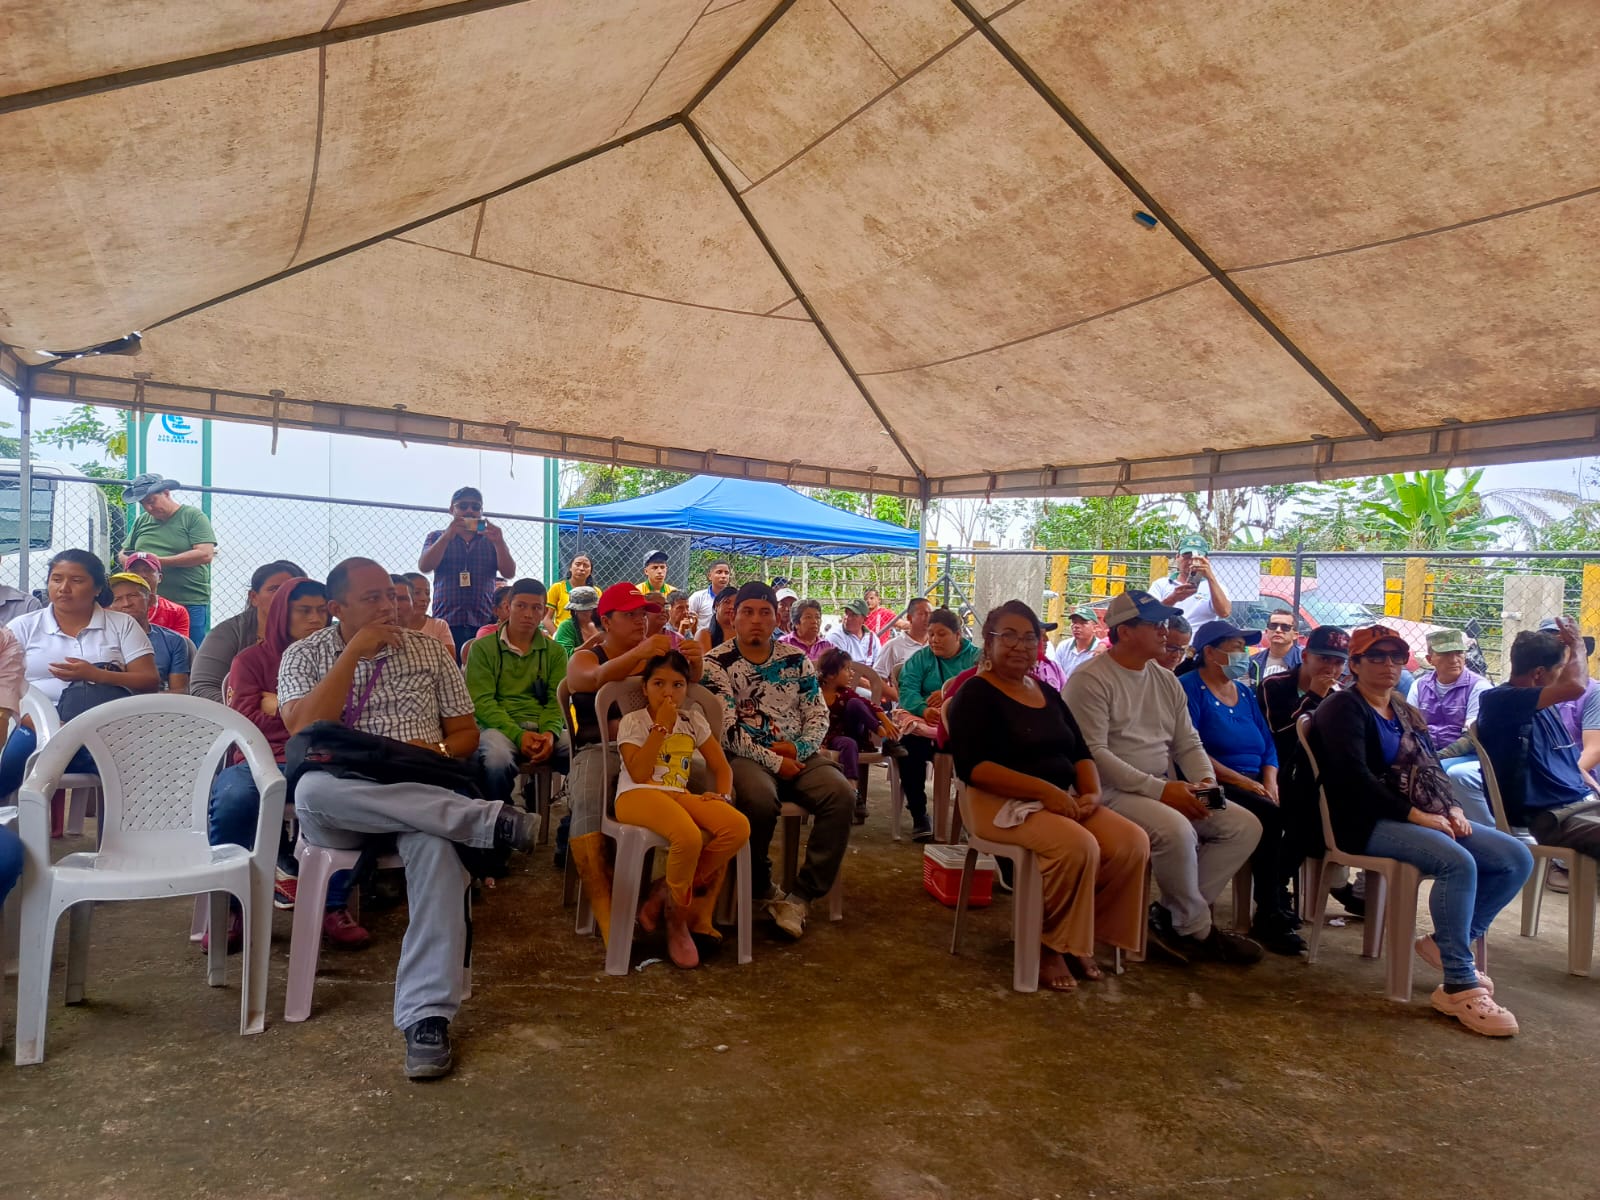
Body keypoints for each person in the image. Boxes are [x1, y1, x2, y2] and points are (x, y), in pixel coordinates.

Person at [279, 558, 537, 1080]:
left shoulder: (429, 650)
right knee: (311, 788)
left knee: (437, 845)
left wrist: (435, 748)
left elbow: (465, 734)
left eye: (391, 595)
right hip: (341, 801)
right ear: (337, 608)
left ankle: (427, 1017)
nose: (389, 606)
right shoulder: (303, 654)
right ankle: (484, 821)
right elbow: (302, 729)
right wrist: (353, 653)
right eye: (372, 598)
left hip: (418, 789)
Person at [1312, 624, 1532, 1036]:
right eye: (1376, 657)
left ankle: (1446, 944)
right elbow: (1353, 779)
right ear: (1355, 664)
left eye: (1396, 657)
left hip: (1413, 813)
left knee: (1514, 857)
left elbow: (1431, 766)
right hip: (1362, 822)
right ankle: (1458, 983)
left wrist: (1451, 806)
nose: (1389, 665)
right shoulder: (1343, 708)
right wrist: (1416, 815)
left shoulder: (1402, 707)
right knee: (1457, 862)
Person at [947, 601, 1151, 989]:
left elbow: (1080, 752)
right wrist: (1044, 791)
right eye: (1008, 636)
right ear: (988, 642)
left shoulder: (1047, 693)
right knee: (1077, 845)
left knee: (1131, 842)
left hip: (1059, 800)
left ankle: (1081, 936)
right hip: (998, 804)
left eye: (1030, 638)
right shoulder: (975, 693)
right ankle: (1048, 943)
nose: (1020, 645)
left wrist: (1091, 793)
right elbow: (974, 768)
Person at [1064, 589, 1263, 965]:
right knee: (1176, 830)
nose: (1164, 630)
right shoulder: (1090, 679)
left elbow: (1188, 742)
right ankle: (1196, 930)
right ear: (1124, 632)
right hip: (1109, 791)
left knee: (1244, 825)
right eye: (1154, 623)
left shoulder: (1165, 680)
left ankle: (1173, 918)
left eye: (1165, 622)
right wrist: (1162, 791)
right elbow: (1094, 756)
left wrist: (1206, 784)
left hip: (1161, 786)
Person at [210, 577, 369, 950]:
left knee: (351, 794)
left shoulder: (339, 657)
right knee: (233, 798)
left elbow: (350, 717)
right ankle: (232, 906)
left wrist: (279, 703)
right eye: (304, 610)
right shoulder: (251, 660)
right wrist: (302, 712)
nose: (315, 619)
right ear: (283, 613)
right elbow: (247, 720)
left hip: (323, 758)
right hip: (262, 758)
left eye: (321, 611)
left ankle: (332, 905)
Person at [703, 582, 854, 939]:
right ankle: (761, 886)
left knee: (841, 794)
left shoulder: (796, 660)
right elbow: (726, 731)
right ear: (733, 618)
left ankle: (801, 896)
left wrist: (799, 749)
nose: (756, 620)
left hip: (798, 753)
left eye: (765, 612)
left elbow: (817, 714)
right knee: (757, 799)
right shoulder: (716, 663)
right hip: (746, 756)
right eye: (747, 612)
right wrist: (774, 761)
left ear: (777, 619)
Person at [564, 583, 708, 924]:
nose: (640, 620)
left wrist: (696, 662)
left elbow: (687, 686)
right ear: (606, 621)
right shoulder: (588, 655)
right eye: (630, 615)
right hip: (600, 750)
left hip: (657, 751)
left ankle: (675, 901)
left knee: (711, 788)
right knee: (588, 797)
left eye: (643, 614)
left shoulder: (656, 659)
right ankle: (606, 913)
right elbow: (587, 680)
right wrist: (638, 654)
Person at [615, 651, 747, 969]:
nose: (668, 692)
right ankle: (677, 919)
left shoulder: (691, 721)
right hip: (636, 795)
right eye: (658, 683)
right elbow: (639, 773)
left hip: (677, 794)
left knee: (737, 827)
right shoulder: (633, 721)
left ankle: (664, 891)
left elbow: (722, 767)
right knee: (688, 836)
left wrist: (722, 796)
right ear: (645, 688)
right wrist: (660, 727)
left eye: (677, 684)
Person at [0, 550, 158, 807]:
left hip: (105, 722)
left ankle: (127, 825)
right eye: (56, 579)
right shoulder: (23, 626)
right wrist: (45, 724)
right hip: (34, 723)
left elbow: (149, 680)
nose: (64, 588)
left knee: (130, 770)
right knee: (11, 763)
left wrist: (96, 675)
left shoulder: (121, 624)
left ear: (97, 588)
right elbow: (5, 685)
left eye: (76, 580)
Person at [1180, 620, 1302, 955]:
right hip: (1205, 784)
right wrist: (1243, 782)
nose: (1243, 654)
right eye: (1235, 648)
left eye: (1244, 648)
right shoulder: (1188, 688)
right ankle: (1269, 909)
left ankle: (1277, 899)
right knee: (1269, 815)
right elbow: (1189, 749)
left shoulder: (1244, 692)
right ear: (1210, 652)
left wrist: (1269, 780)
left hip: (1255, 783)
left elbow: (1268, 745)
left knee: (1298, 812)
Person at [1477, 620, 1598, 866]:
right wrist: (1577, 644)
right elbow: (1575, 686)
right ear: (1538, 674)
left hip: (1579, 804)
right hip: (1551, 816)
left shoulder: (1543, 703)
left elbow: (1569, 762)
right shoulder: (1500, 702)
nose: (1563, 674)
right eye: (1561, 668)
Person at [1260, 625, 1351, 910]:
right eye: (1324, 659)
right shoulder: (1274, 685)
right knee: (1307, 808)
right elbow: (1279, 733)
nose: (1331, 668)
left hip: (1315, 776)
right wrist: (1313, 696)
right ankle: (1277, 890)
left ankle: (1337, 882)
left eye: (1338, 662)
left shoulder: (1341, 694)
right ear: (1306, 656)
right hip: (1275, 770)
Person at [465, 578, 570, 806]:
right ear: (507, 607)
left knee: (585, 751)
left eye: (536, 608)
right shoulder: (482, 649)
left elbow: (556, 700)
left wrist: (550, 733)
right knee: (496, 760)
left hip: (542, 728)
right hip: (497, 728)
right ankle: (501, 816)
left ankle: (572, 820)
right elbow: (481, 702)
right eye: (521, 605)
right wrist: (518, 735)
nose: (528, 614)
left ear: (544, 612)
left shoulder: (555, 652)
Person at [894, 608, 981, 842]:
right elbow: (907, 690)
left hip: (963, 731)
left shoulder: (977, 659)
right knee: (908, 748)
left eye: (941, 634)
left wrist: (948, 696)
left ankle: (974, 819)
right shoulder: (921, 659)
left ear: (958, 635)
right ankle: (919, 815)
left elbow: (983, 690)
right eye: (931, 634)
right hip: (927, 726)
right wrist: (924, 708)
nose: (934, 639)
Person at [189, 560, 306, 703]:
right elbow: (202, 689)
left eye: (293, 591)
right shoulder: (229, 633)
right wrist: (253, 707)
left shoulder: (318, 633)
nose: (284, 595)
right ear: (254, 597)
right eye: (274, 589)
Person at [1407, 628, 1492, 825]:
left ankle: (1481, 827)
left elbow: (1472, 738)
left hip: (1469, 756)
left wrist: (1436, 758)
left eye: (1459, 653)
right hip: (1429, 753)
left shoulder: (1479, 687)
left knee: (1439, 771)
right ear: (1430, 659)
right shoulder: (1419, 685)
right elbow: (1410, 727)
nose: (1454, 659)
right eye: (1445, 654)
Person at [119, 474, 217, 642]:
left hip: (187, 598)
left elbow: (205, 554)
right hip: (149, 601)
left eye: (152, 501)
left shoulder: (192, 516)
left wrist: (156, 562)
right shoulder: (142, 521)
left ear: (166, 493)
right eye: (143, 504)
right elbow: (123, 553)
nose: (149, 508)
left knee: (189, 648)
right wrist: (134, 563)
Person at [418, 486, 515, 653]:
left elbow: (509, 573)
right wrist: (447, 536)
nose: (469, 511)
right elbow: (424, 567)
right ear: (451, 509)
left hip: (483, 620)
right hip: (447, 619)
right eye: (463, 506)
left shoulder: (491, 539)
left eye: (475, 507)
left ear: (481, 511)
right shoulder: (436, 536)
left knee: (481, 666)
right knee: (448, 665)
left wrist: (499, 542)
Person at [816, 647, 901, 779]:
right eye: (847, 669)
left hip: (851, 732)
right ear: (832, 674)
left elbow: (870, 705)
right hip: (830, 738)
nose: (851, 674)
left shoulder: (845, 692)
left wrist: (885, 722)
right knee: (849, 744)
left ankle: (884, 737)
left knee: (855, 703)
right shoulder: (814, 693)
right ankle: (851, 785)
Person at [108, 572, 192, 693]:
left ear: (151, 600)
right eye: (117, 599)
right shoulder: (99, 638)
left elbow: (179, 691)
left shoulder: (173, 641)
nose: (126, 604)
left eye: (133, 595)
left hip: (155, 704)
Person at [1148, 534, 1231, 623]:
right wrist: (1173, 598)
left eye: (1197, 558)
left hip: (1200, 632)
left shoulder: (1215, 587)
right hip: (1168, 631)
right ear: (1177, 557)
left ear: (1206, 560)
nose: (1191, 561)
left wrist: (1210, 577)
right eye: (1187, 557)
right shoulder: (1161, 584)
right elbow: (1149, 615)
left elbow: (1224, 613)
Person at [117, 552, 190, 638]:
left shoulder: (176, 612)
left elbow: (180, 644)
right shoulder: (114, 607)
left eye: (148, 570)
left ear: (160, 577)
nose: (141, 575)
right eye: (134, 571)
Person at [873, 597, 932, 701]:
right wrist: (898, 696)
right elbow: (876, 678)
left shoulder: (937, 645)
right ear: (909, 617)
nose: (928, 618)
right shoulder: (893, 646)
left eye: (931, 614)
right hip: (907, 705)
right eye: (922, 614)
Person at [398, 572, 456, 653]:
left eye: (427, 593)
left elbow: (450, 658)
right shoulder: (391, 627)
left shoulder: (439, 625)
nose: (424, 598)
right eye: (416, 593)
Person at [1051, 606, 1101, 685]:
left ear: (1095, 628)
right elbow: (1055, 674)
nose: (1076, 626)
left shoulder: (1100, 650)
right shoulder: (1063, 646)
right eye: (1074, 622)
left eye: (1083, 623)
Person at [1251, 609, 1301, 684]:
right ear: (1266, 632)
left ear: (1295, 635)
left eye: (1285, 627)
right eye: (1273, 626)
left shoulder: (1304, 661)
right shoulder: (1253, 661)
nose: (1278, 630)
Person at [545, 553, 593, 631]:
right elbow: (546, 618)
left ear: (590, 571)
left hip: (587, 636)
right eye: (578, 564)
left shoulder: (596, 592)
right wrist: (558, 636)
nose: (581, 568)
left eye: (586, 566)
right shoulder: (557, 587)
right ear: (570, 567)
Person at [825, 598, 879, 664]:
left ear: (865, 619)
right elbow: (840, 667)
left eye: (854, 615)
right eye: (846, 613)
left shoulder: (872, 638)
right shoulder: (836, 636)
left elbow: (879, 664)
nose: (847, 618)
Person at [553, 585, 602, 652]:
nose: (590, 613)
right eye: (584, 610)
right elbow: (565, 654)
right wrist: (594, 640)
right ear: (575, 610)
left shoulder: (605, 623)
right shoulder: (567, 626)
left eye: (594, 609)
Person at [687, 561, 733, 632]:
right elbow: (688, 619)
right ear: (709, 576)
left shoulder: (735, 599)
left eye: (726, 573)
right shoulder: (697, 597)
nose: (723, 576)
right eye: (719, 572)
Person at [780, 597, 827, 662]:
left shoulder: (827, 646)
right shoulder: (783, 644)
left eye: (817, 617)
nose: (815, 621)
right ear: (796, 623)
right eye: (808, 617)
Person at [696, 585, 739, 653]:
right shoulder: (704, 634)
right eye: (727, 602)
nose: (732, 607)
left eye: (736, 604)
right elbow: (706, 659)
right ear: (716, 605)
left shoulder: (744, 635)